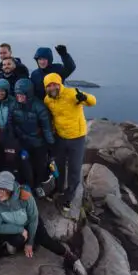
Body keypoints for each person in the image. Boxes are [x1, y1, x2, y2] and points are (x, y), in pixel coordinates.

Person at [0, 171, 86, 275]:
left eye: (1, 189)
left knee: (45, 240)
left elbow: (34, 219)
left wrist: (30, 242)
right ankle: (11, 244)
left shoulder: (25, 196)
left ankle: (73, 259)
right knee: (16, 239)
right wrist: (19, 230)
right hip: (12, 226)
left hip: (29, 221)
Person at [43, 73, 96, 212]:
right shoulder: (47, 100)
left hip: (77, 137)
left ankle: (69, 196)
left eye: (54, 84)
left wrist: (85, 98)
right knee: (59, 166)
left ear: (60, 84)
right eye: (49, 85)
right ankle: (59, 188)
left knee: (74, 168)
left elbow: (92, 101)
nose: (52, 87)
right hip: (60, 137)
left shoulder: (72, 93)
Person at [11, 78, 55, 190]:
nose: (19, 97)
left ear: (29, 94)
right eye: (17, 94)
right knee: (24, 166)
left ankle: (38, 186)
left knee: (39, 166)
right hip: (22, 142)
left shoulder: (39, 107)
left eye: (22, 94)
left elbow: (47, 129)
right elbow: (10, 124)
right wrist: (13, 140)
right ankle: (26, 186)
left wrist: (51, 145)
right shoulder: (14, 105)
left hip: (38, 143)